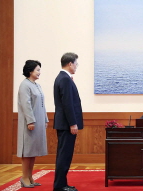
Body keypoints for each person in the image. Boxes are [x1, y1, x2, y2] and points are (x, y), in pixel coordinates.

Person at [53, 53, 83, 191]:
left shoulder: (62, 77)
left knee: (63, 155)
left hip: (64, 124)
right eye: (76, 63)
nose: (77, 66)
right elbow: (67, 104)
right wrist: (73, 123)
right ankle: (60, 186)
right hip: (66, 125)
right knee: (64, 156)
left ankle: (62, 184)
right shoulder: (64, 79)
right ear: (70, 63)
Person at [17, 60, 49, 188]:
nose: (39, 72)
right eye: (37, 70)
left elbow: (42, 104)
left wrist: (45, 119)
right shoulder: (24, 85)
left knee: (33, 151)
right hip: (30, 123)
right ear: (30, 71)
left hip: (39, 122)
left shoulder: (37, 85)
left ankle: (30, 177)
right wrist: (30, 120)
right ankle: (24, 177)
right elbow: (26, 105)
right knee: (28, 151)